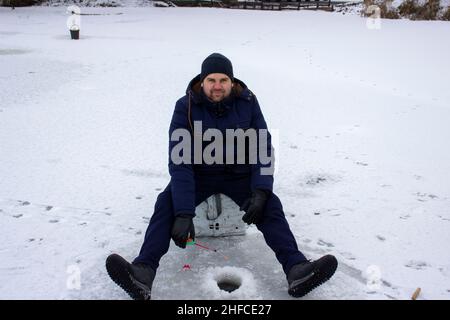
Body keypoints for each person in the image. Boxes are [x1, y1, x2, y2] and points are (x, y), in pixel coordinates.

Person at [106, 53, 338, 300]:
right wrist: (184, 212)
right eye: (212, 79)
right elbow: (180, 161)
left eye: (223, 79)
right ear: (202, 82)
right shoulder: (185, 107)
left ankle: (296, 268)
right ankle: (142, 272)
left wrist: (260, 190)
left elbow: (263, 147)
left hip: (239, 175)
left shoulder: (248, 102)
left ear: (232, 81)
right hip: (199, 176)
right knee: (166, 203)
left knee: (271, 205)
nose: (218, 86)